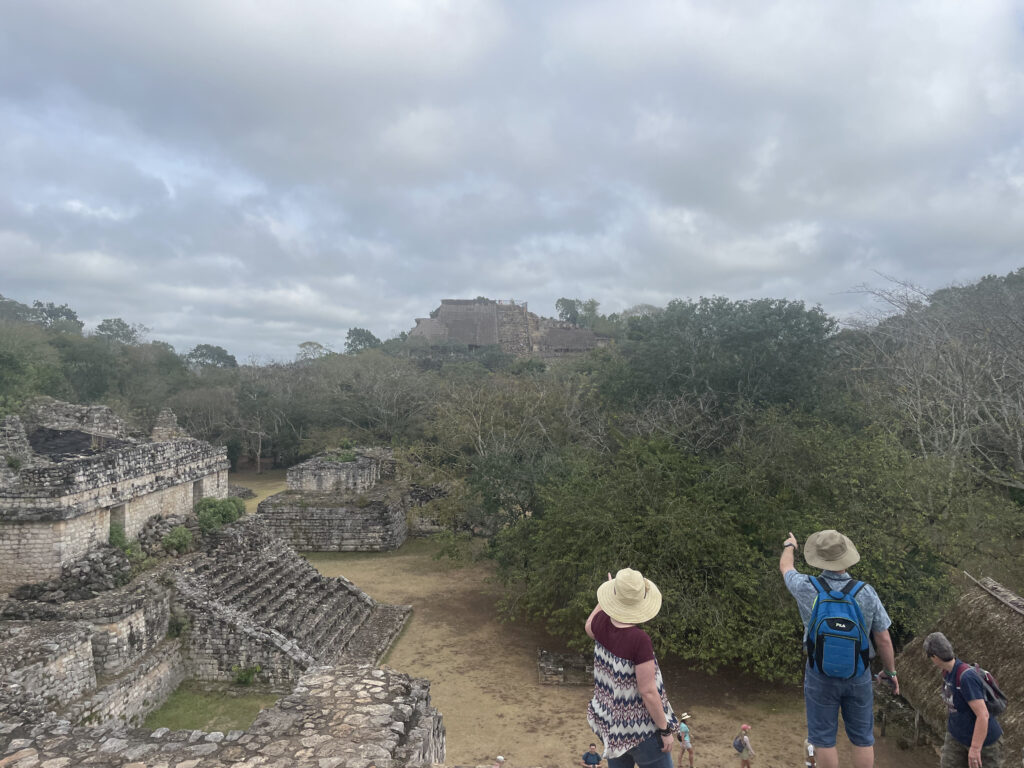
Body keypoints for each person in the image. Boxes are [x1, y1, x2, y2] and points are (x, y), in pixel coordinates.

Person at [780, 530, 899, 768]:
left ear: (819, 558)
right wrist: (891, 672)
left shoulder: (806, 586)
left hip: (819, 674)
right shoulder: (866, 591)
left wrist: (790, 545)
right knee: (863, 739)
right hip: (858, 674)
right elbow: (883, 639)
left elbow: (786, 567)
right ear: (847, 557)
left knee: (823, 739)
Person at [585, 568, 679, 768]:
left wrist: (607, 599)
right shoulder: (639, 640)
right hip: (641, 731)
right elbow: (648, 692)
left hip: (611, 726)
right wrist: (665, 731)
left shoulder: (601, 623)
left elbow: (588, 626)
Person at [923, 632, 1004, 768]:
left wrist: (975, 748)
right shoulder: (947, 672)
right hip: (957, 736)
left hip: (985, 744)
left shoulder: (966, 678)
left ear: (935, 657)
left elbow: (983, 715)